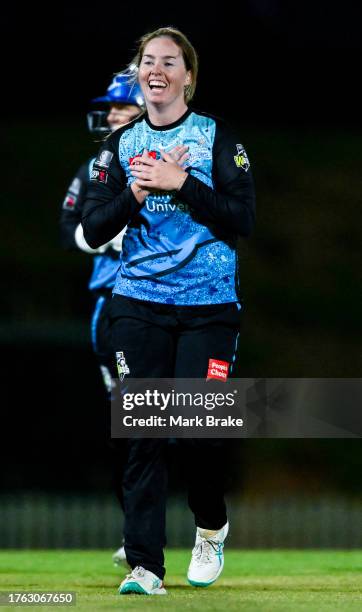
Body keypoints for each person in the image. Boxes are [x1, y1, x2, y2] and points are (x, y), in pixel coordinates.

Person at [82, 27, 256, 595]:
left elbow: (242, 219)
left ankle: (210, 525)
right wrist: (134, 193)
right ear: (139, 73)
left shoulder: (217, 139)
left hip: (209, 309)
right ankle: (145, 567)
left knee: (201, 433)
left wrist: (182, 182)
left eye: (169, 62)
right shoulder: (119, 146)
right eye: (148, 61)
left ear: (188, 76)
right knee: (143, 434)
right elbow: (91, 228)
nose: (156, 69)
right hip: (138, 306)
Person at [59, 70, 143, 567]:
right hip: (114, 303)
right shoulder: (95, 168)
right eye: (110, 107)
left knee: (180, 423)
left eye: (121, 106)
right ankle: (138, 535)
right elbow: (70, 225)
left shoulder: (185, 158)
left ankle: (201, 516)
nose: (111, 115)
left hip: (174, 303)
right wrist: (104, 236)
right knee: (127, 423)